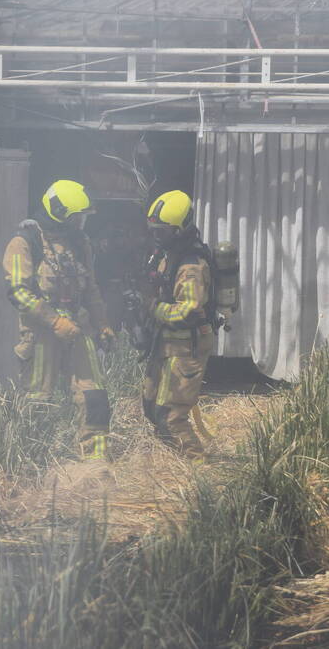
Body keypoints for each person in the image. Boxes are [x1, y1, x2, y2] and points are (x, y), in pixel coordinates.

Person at [2, 180, 116, 460]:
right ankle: (33, 462)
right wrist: (54, 322)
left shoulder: (80, 243)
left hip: (79, 328)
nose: (82, 222)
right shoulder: (24, 242)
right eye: (78, 216)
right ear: (61, 214)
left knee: (94, 395)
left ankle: (96, 461)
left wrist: (102, 324)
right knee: (39, 399)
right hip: (42, 334)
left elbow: (91, 289)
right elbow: (18, 293)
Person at [140, 189, 215, 459]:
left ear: (179, 229)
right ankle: (173, 459)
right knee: (151, 407)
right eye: (154, 231)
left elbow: (189, 312)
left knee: (171, 416)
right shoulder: (168, 255)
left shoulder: (191, 266)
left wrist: (153, 308)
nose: (157, 236)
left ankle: (197, 469)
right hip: (167, 343)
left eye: (162, 231)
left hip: (186, 346)